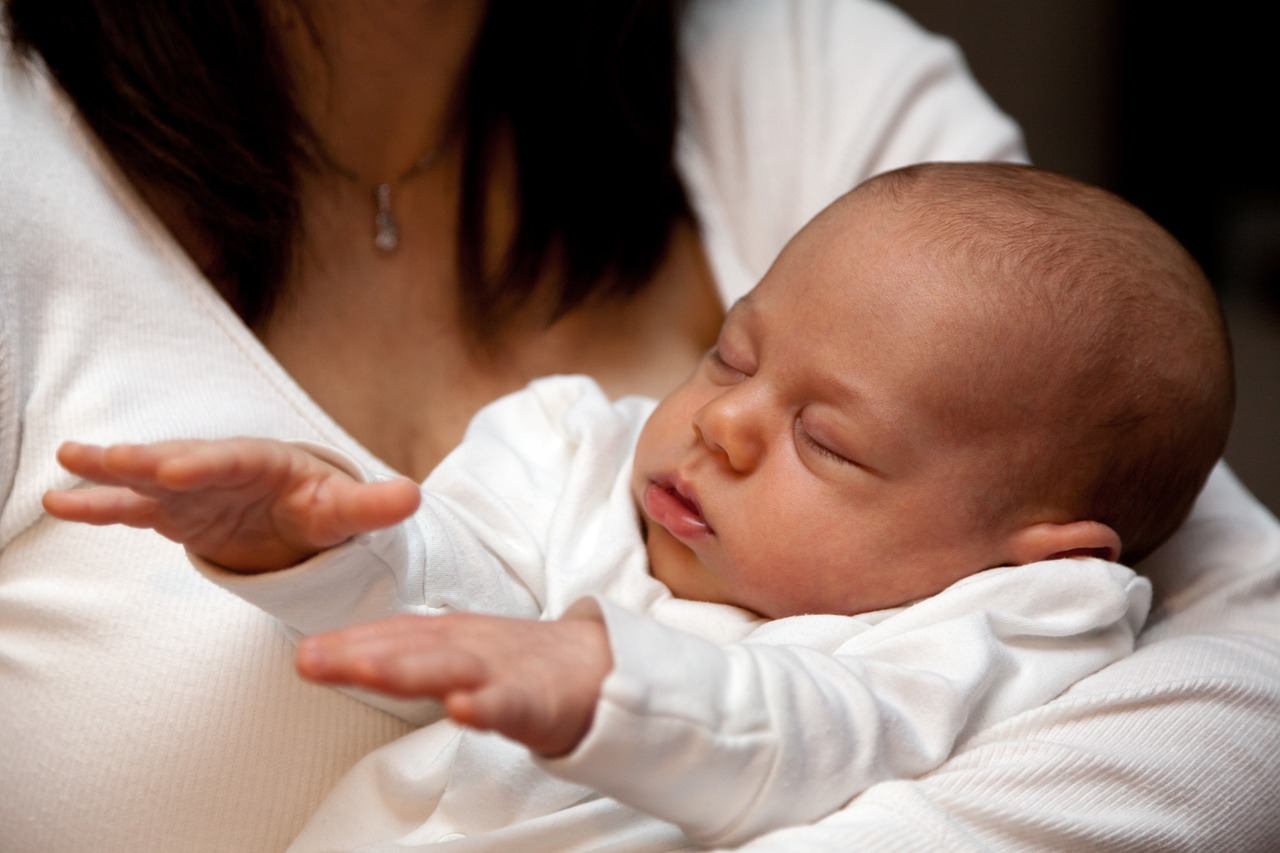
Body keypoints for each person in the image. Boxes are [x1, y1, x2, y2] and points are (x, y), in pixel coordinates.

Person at [2, 1, 1278, 851]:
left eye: (825, 442)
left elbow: (833, 727)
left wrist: (610, 686)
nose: (721, 422)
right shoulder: (576, 447)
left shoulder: (1015, 615)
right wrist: (310, 547)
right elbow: (459, 585)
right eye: (728, 351)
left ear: (1039, 550)